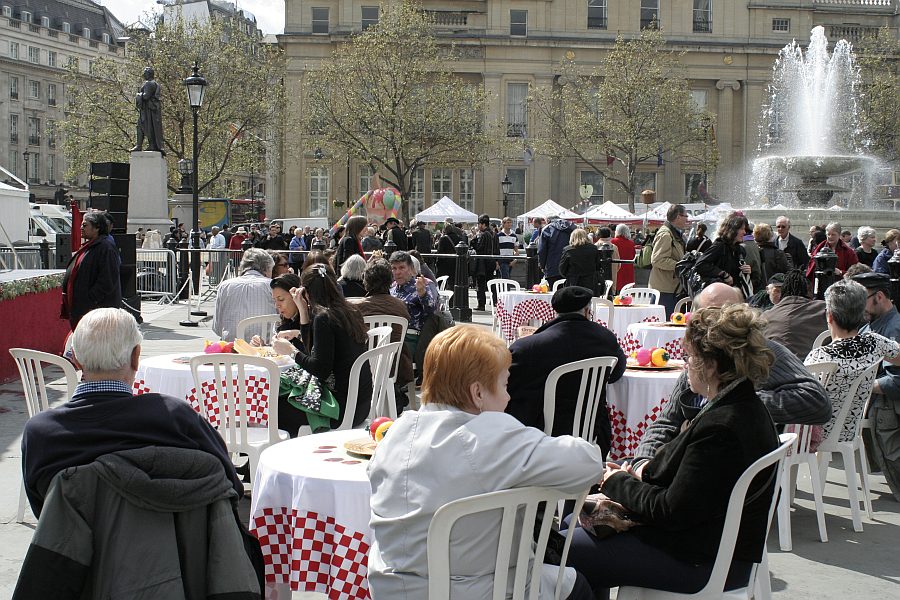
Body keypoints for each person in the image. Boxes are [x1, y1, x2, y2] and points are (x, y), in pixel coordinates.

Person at [367, 326, 602, 600]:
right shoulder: (489, 435)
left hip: (390, 588)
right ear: (477, 393)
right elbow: (588, 463)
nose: (508, 397)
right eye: (504, 385)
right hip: (480, 591)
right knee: (579, 583)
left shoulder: (396, 432)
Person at [565, 304, 780, 598]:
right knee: (572, 527)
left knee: (560, 552)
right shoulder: (742, 406)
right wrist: (639, 471)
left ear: (711, 365)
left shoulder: (723, 426)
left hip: (701, 561)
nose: (685, 363)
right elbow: (692, 488)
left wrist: (614, 482)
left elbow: (670, 510)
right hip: (710, 546)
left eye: (689, 356)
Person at [22, 308, 243, 516]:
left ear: (77, 360)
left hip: (77, 553)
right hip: (172, 551)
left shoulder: (41, 434)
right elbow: (230, 485)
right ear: (136, 357)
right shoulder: (175, 418)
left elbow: (45, 514)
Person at [632, 282, 831, 469]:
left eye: (730, 313)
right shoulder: (697, 359)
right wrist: (643, 462)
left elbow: (817, 403)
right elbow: (667, 421)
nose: (722, 321)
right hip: (688, 462)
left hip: (733, 469)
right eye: (713, 314)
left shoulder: (761, 352)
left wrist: (736, 402)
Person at [507, 286, 626, 455]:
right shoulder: (606, 338)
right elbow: (616, 374)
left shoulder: (527, 348)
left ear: (555, 311)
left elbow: (508, 385)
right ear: (586, 311)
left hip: (537, 433)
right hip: (592, 431)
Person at [272, 263, 372, 433]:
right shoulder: (348, 311)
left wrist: (291, 350)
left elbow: (319, 369)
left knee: (271, 407)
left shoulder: (323, 318)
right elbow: (314, 351)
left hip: (340, 408)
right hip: (361, 405)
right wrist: (303, 313)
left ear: (307, 292)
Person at [804, 279, 900, 452]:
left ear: (830, 316)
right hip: (851, 431)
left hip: (816, 437)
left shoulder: (819, 357)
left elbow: (805, 402)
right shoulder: (875, 343)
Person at [853, 272, 900, 502]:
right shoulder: (872, 324)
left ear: (879, 296)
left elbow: (897, 383)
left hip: (886, 407)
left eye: (862, 300)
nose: (858, 306)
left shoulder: (893, 330)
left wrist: (859, 384)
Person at [349, 258, 415, 398]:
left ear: (366, 281)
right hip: (392, 367)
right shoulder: (401, 306)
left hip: (361, 368)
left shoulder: (355, 308)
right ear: (390, 281)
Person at [61, 211, 123, 330]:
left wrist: (91, 301)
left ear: (97, 227)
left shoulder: (106, 247)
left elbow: (107, 279)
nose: (81, 228)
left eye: (85, 225)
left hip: (96, 310)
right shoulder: (91, 246)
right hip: (84, 309)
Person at [389, 251, 442, 377]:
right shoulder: (392, 287)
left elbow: (432, 310)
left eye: (402, 267)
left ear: (411, 269)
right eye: (394, 268)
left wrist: (422, 293)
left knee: (388, 356)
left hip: (412, 338)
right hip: (392, 336)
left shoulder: (420, 285)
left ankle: (395, 389)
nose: (397, 272)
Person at [212, 248, 276, 342]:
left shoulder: (225, 286)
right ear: (266, 269)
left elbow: (217, 328)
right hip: (264, 348)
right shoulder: (272, 286)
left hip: (232, 348)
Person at [764, 269, 827, 360]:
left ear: (783, 292)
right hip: (817, 370)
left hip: (777, 370)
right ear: (809, 291)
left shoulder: (765, 317)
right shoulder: (824, 310)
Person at [694, 211, 753, 298]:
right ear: (732, 229)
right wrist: (723, 274)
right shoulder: (720, 245)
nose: (744, 232)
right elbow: (700, 264)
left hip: (733, 296)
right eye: (741, 229)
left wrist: (746, 271)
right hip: (717, 296)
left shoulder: (740, 250)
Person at [649, 204, 688, 316]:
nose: (687, 219)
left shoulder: (673, 233)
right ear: (678, 217)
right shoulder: (666, 234)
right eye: (686, 216)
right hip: (665, 290)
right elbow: (657, 259)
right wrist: (680, 265)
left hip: (670, 288)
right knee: (664, 324)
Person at [131, 66, 165, 154]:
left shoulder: (149, 83)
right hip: (151, 111)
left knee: (142, 126)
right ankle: (149, 145)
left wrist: (138, 94)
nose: (143, 75)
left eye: (145, 73)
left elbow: (146, 96)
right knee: (148, 128)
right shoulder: (155, 83)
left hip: (147, 111)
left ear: (148, 74)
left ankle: (140, 145)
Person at [558, 229, 602, 295]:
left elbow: (562, 269)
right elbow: (598, 266)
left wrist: (569, 275)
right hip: (590, 282)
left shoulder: (568, 250)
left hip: (573, 282)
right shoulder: (593, 248)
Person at [539, 215, 577, 286]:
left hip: (552, 266)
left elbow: (542, 250)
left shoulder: (547, 229)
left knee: (554, 291)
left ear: (548, 220)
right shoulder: (573, 227)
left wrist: (542, 265)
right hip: (572, 267)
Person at [472, 214, 498, 311]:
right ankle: (496, 301)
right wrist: (496, 261)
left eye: (479, 224)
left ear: (482, 224)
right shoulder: (494, 234)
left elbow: (479, 248)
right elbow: (496, 249)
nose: (479, 226)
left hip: (482, 262)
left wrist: (474, 240)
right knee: (491, 283)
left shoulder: (483, 235)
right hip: (491, 261)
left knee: (481, 284)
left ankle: (481, 304)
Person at [610, 224, 636, 292]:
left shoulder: (613, 241)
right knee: (627, 291)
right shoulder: (631, 243)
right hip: (628, 267)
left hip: (618, 268)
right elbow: (633, 255)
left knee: (617, 290)